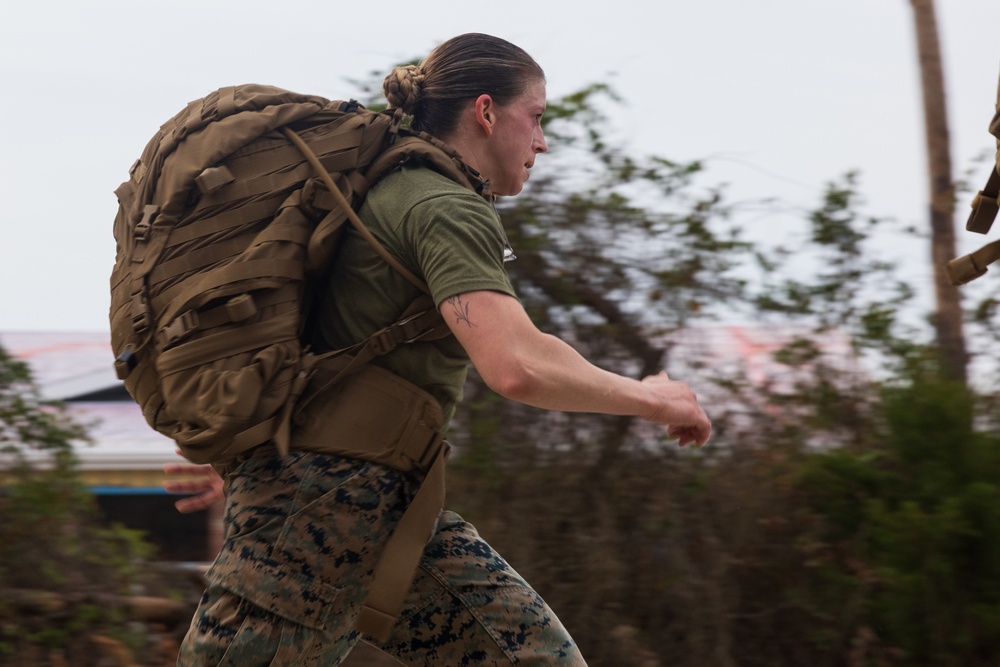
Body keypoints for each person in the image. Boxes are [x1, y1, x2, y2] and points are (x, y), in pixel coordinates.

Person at [165, 32, 712, 667]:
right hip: (313, 519)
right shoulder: (442, 205)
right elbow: (516, 367)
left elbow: (511, 342)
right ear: (486, 111)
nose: (542, 141)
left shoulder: (385, 191)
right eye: (535, 118)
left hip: (388, 513)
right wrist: (649, 400)